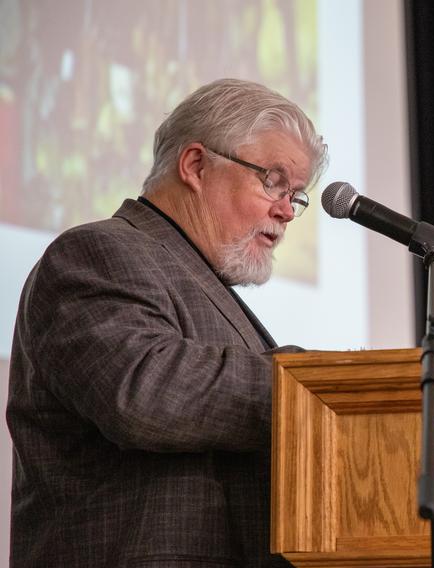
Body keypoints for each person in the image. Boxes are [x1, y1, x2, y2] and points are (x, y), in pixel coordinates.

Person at [6, 78, 327, 567]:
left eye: (296, 195)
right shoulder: (98, 253)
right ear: (195, 165)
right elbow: (145, 391)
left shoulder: (202, 280)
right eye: (274, 181)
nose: (286, 210)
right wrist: (317, 387)